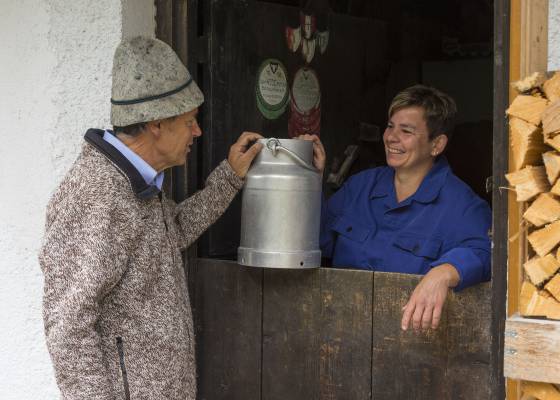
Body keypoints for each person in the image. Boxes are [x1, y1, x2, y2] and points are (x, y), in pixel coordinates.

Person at [39, 36, 262, 400]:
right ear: (157, 124)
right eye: (190, 121)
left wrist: (229, 176)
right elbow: (68, 327)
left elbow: (171, 231)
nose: (198, 131)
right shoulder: (96, 194)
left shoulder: (136, 182)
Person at [300, 84, 491, 332]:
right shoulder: (361, 186)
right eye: (390, 126)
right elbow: (316, 239)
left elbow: (489, 252)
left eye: (406, 131)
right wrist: (308, 180)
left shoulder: (461, 204)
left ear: (437, 144)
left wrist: (445, 272)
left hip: (411, 343)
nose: (391, 137)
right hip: (339, 330)